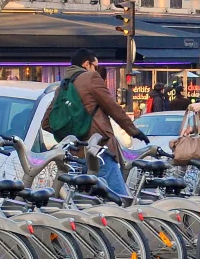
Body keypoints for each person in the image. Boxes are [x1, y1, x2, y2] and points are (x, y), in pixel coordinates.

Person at [43, 48, 150, 195]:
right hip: (100, 149)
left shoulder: (62, 87)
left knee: (87, 201)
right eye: (96, 66)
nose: (97, 70)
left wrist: (74, 134)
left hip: (76, 153)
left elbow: (47, 123)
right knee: (120, 199)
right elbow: (112, 107)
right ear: (87, 64)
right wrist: (134, 131)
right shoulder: (91, 78)